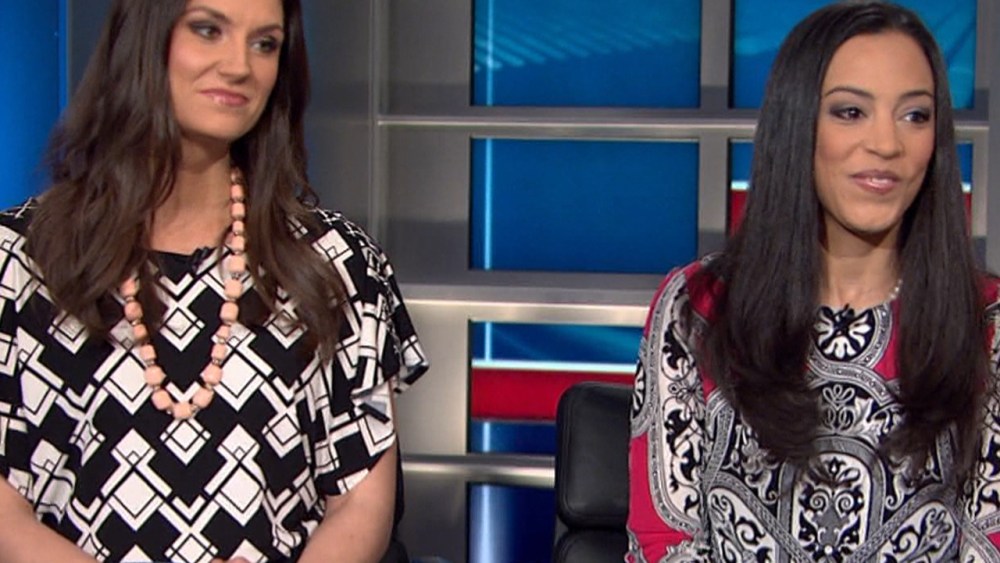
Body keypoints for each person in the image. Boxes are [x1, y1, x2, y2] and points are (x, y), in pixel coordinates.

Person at [0, 0, 428, 561]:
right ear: (144, 40)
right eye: (208, 30)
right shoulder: (18, 261)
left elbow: (359, 506)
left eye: (265, 44)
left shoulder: (337, 264)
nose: (239, 66)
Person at [627, 2, 1000, 561]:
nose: (886, 144)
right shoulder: (698, 308)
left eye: (914, 115)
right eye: (851, 111)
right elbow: (665, 543)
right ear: (797, 124)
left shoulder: (986, 324)